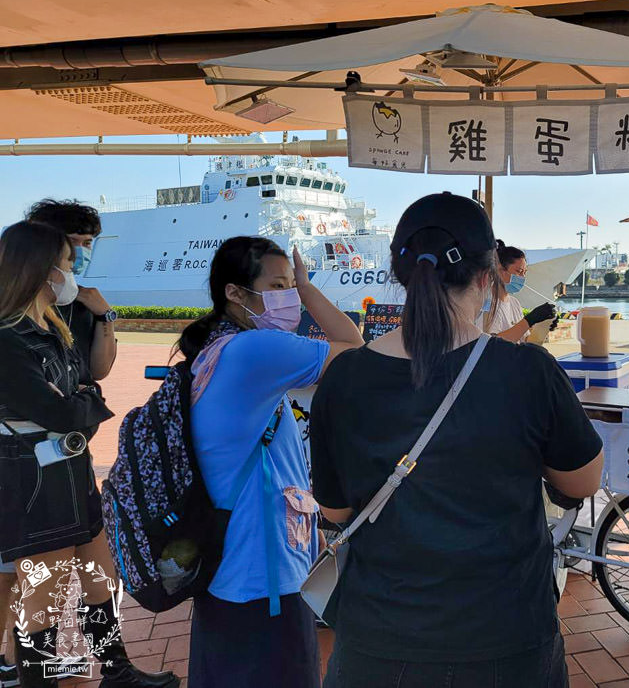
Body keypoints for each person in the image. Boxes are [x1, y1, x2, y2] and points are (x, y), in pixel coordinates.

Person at [310, 193, 604, 688]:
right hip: (507, 641)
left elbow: (336, 513)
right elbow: (583, 479)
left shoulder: (344, 378)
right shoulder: (528, 371)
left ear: (399, 273)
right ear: (490, 276)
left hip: (379, 643)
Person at [0, 222, 178, 688]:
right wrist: (88, 403)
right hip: (32, 476)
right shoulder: (8, 337)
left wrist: (82, 399)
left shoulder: (52, 326)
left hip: (71, 470)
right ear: (40, 269)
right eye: (65, 260)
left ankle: (116, 670)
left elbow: (85, 383)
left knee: (101, 577)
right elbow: (60, 409)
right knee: (44, 597)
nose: (72, 268)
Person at [181, 237, 363, 688]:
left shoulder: (219, 349)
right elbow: (353, 348)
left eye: (291, 285)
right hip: (260, 573)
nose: (289, 297)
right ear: (235, 293)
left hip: (233, 566)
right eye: (278, 285)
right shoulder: (254, 350)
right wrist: (308, 287)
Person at [25, 200, 118, 388]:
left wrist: (105, 315)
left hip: (78, 411)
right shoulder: (16, 304)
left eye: (87, 243)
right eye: (72, 241)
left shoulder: (85, 302)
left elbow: (99, 371)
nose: (79, 252)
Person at [486, 240, 558, 343]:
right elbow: (491, 344)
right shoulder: (487, 304)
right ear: (500, 271)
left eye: (524, 272)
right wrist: (529, 320)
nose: (522, 277)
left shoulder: (514, 303)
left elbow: (525, 342)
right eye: (519, 271)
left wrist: (542, 326)